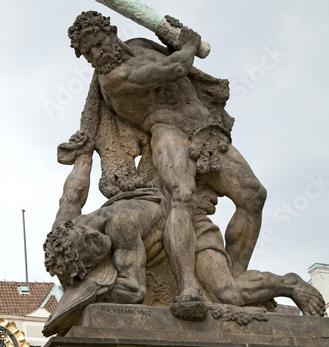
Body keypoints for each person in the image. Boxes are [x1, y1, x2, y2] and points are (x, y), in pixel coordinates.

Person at [67, 12, 267, 310]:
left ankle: (232, 278)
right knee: (181, 197)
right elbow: (176, 68)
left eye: (98, 44)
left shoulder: (140, 45)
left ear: (111, 34)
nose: (96, 55)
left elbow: (172, 60)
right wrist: (187, 45)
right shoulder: (113, 79)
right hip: (170, 135)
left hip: (208, 132)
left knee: (254, 197)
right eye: (88, 53)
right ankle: (188, 288)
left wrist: (170, 40)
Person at [42, 131, 325, 336]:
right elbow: (72, 194)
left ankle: (290, 284)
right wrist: (83, 156)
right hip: (162, 232)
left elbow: (134, 288)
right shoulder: (64, 230)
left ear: (82, 233)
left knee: (228, 292)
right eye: (95, 258)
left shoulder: (121, 223)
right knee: (229, 293)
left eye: (94, 243)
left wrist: (95, 291)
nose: (102, 248)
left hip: (190, 229)